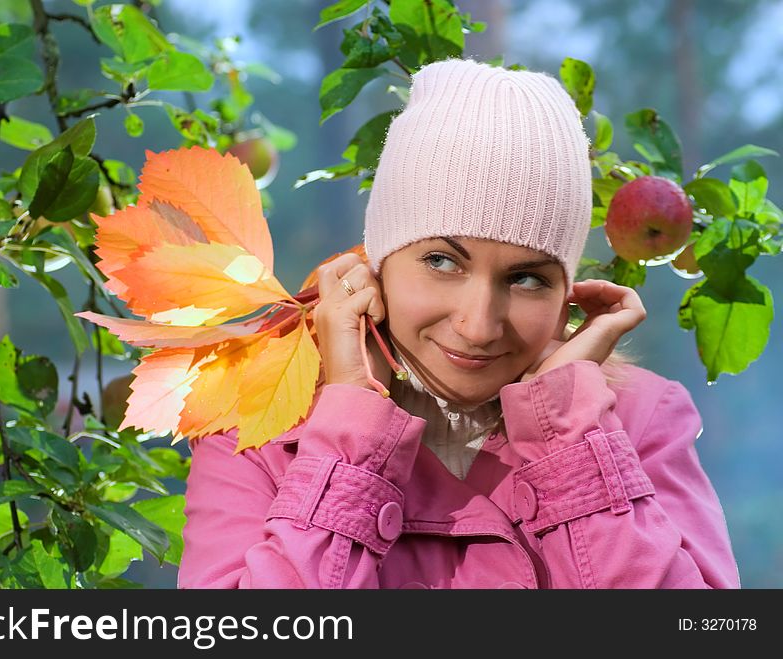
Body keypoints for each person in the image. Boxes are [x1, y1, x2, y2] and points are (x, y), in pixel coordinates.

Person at [177, 58, 740, 589]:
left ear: (567, 292)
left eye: (526, 279)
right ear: (375, 266)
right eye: (442, 262)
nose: (478, 326)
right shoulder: (254, 427)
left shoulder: (639, 420)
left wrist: (566, 431)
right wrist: (349, 427)